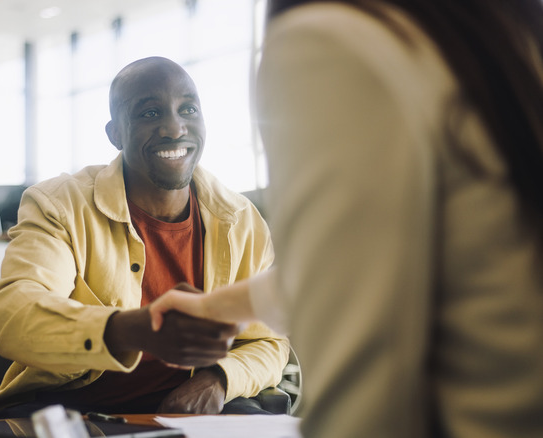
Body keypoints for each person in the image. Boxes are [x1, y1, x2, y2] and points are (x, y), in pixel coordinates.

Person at [149, 0, 543, 436]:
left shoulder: (327, 39)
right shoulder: (499, 28)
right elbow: (391, 255)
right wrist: (217, 308)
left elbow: (366, 377)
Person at [0, 56, 289, 419]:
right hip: (75, 411)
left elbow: (268, 340)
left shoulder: (242, 219)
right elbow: (12, 313)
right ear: (115, 134)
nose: (174, 128)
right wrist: (130, 330)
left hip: (191, 414)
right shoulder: (59, 204)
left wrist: (218, 379)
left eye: (187, 109)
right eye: (150, 113)